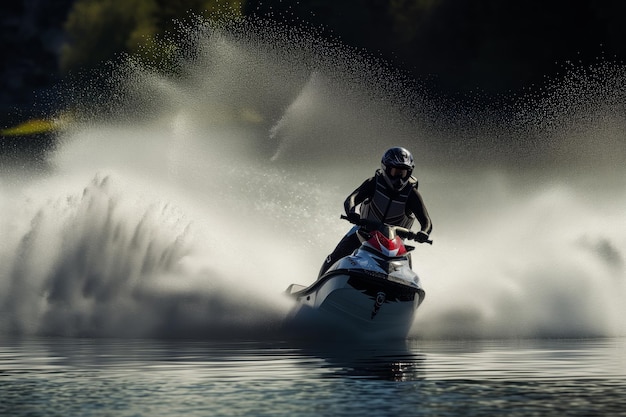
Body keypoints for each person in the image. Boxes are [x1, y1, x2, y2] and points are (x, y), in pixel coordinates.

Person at [318, 146, 433, 277]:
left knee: (407, 273)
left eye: (404, 173)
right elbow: (351, 199)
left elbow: (427, 222)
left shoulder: (412, 195)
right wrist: (351, 213)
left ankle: (407, 290)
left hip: (394, 245)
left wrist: (424, 233)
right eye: (395, 172)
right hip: (364, 233)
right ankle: (317, 288)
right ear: (385, 169)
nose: (399, 179)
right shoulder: (373, 183)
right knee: (334, 258)